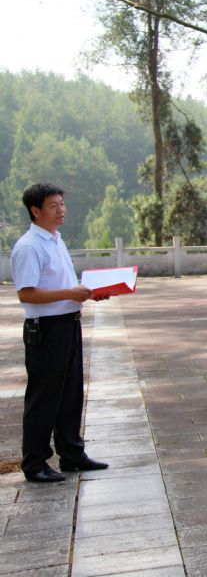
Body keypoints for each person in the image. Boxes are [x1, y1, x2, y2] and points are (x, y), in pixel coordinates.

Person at [11, 183, 110, 483]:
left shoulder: (56, 240)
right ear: (35, 211)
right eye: (53, 206)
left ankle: (71, 453)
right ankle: (35, 462)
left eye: (62, 204)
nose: (61, 210)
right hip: (46, 331)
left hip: (68, 324)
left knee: (70, 393)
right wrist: (70, 293)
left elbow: (62, 285)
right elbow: (26, 293)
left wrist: (89, 293)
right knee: (44, 397)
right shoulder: (29, 246)